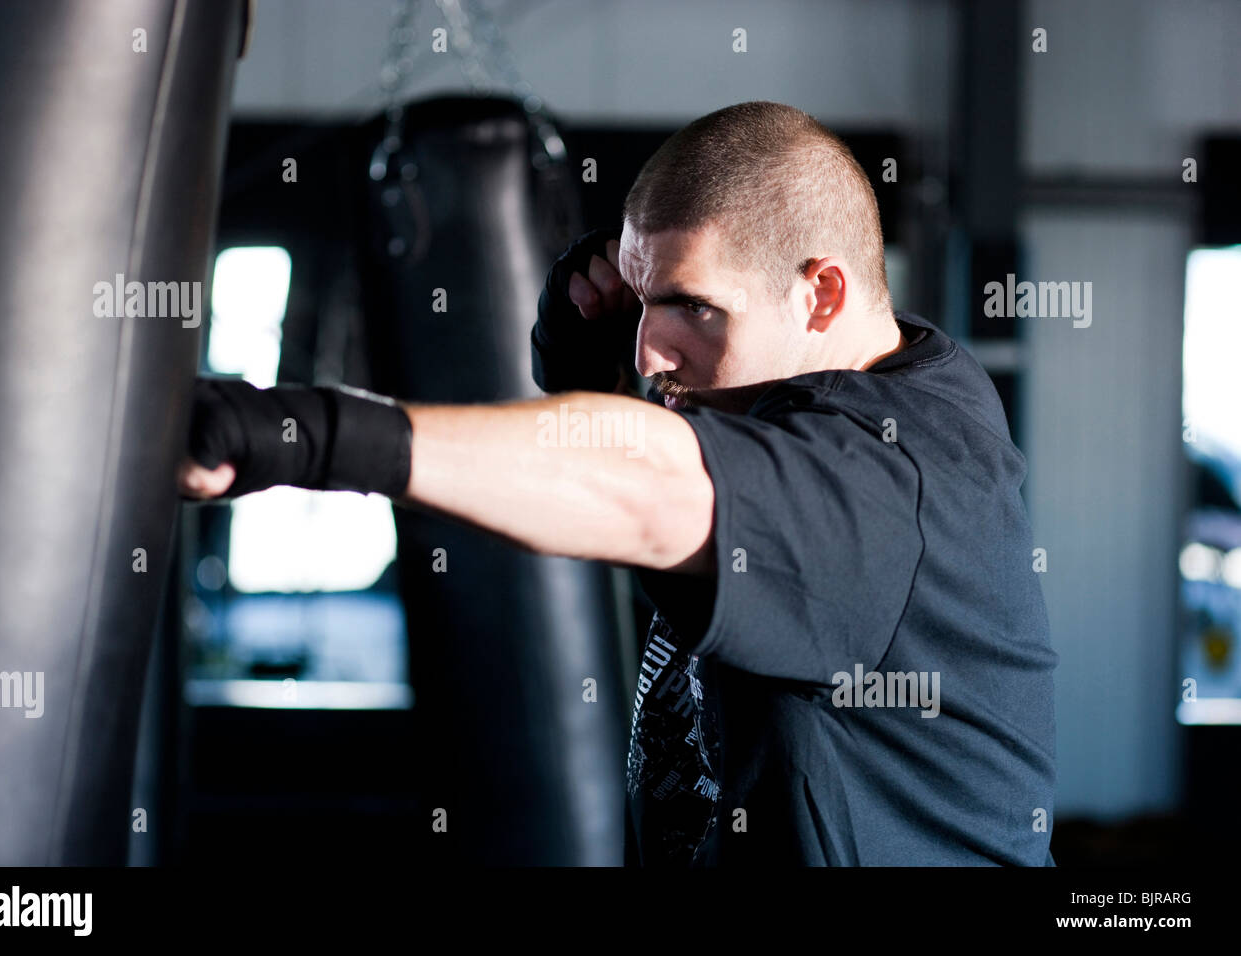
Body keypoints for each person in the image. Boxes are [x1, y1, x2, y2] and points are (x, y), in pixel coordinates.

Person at [180, 101, 1057, 867]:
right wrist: (600, 381)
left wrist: (308, 438)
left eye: (693, 308)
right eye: (643, 306)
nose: (647, 354)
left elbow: (654, 487)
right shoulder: (879, 376)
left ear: (821, 295)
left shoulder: (885, 476)